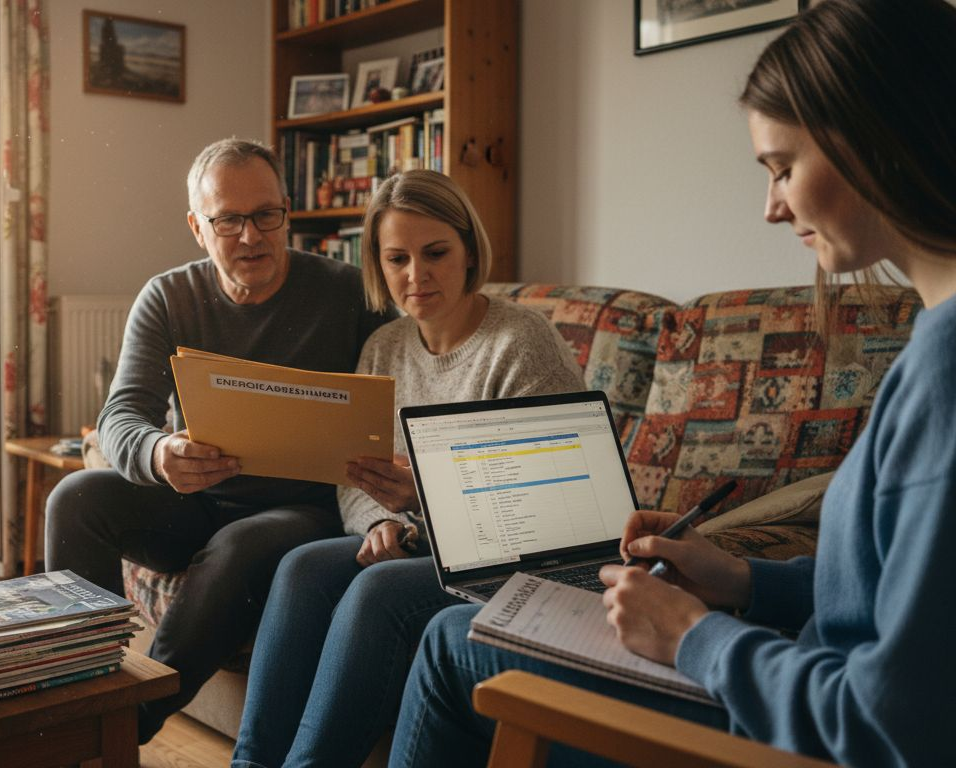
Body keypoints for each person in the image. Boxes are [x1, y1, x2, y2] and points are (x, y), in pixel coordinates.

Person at [388, 1, 956, 766]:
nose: (771, 207)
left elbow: (892, 731)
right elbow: (888, 599)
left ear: (880, 140)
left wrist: (694, 635)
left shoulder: (944, 378)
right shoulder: (933, 345)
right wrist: (744, 580)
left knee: (454, 642)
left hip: (794, 736)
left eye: (783, 168)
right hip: (798, 692)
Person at [44, 138, 393, 743]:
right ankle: (79, 694)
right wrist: (158, 454)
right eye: (228, 220)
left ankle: (115, 728)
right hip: (195, 498)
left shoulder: (350, 294)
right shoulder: (168, 297)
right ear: (197, 228)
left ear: (287, 212)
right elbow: (121, 415)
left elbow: (406, 387)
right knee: (74, 499)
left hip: (304, 510)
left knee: (239, 545)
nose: (251, 236)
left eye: (266, 215)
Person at [231, 170, 584, 768]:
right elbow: (355, 475)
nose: (416, 275)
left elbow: (547, 502)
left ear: (469, 250)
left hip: (513, 560)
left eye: (435, 253)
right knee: (302, 567)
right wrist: (380, 523)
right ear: (378, 264)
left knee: (379, 590)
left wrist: (422, 500)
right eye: (397, 258)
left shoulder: (521, 342)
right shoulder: (385, 347)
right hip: (421, 543)